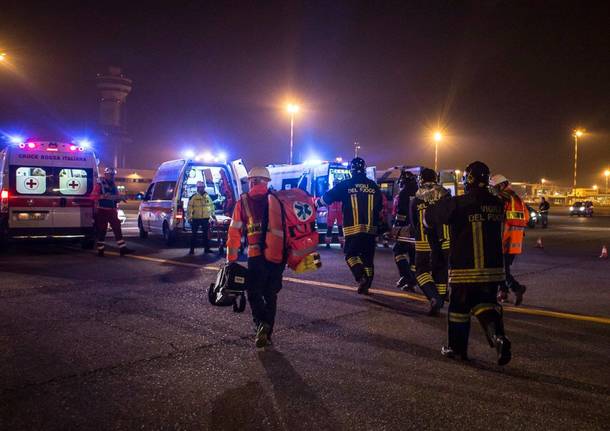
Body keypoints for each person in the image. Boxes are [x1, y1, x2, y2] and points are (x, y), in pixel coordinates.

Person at [426, 161, 511, 365]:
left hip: (465, 269)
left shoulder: (458, 203)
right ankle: (498, 338)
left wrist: (437, 201)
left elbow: (430, 218)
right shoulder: (497, 204)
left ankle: (456, 349)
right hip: (493, 270)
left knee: (459, 310)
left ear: (468, 179)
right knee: (485, 304)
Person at [226, 167, 285, 348]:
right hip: (277, 255)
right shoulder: (278, 199)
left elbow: (235, 231)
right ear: (267, 181)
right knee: (271, 294)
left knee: (253, 292)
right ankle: (267, 330)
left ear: (251, 181)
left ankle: (261, 325)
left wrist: (232, 257)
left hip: (256, 254)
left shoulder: (243, 201)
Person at [319, 157, 382, 295]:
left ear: (351, 170)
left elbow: (327, 198)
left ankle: (361, 277)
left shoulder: (345, 185)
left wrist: (315, 204)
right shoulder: (374, 186)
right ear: (364, 169)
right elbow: (379, 207)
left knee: (350, 255)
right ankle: (367, 285)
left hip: (353, 229)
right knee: (368, 259)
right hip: (370, 230)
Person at [410, 168, 449, 316]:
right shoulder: (445, 195)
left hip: (424, 242)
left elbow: (414, 224)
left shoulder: (416, 199)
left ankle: (433, 298)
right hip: (444, 241)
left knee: (421, 271)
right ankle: (440, 298)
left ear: (421, 180)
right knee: (440, 270)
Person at [490, 174, 528, 305]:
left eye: (494, 188)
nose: (494, 190)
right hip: (516, 241)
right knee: (504, 268)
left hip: (504, 239)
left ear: (501, 185)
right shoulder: (518, 199)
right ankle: (503, 293)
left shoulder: (503, 197)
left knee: (499, 270)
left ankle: (517, 288)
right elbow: (526, 218)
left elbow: (495, 216)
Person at [94, 167, 134, 257]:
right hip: (102, 210)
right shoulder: (100, 184)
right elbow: (92, 196)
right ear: (106, 174)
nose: (112, 176)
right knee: (102, 231)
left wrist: (120, 198)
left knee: (117, 229)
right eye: (111, 175)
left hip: (112, 211)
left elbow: (116, 197)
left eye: (113, 175)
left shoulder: (113, 185)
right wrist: (102, 196)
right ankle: (100, 251)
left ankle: (123, 249)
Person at [392, 171, 418, 291]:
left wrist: (396, 227)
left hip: (406, 228)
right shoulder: (420, 192)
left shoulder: (403, 194)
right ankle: (411, 282)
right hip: (418, 230)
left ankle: (406, 277)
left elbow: (401, 213)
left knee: (398, 251)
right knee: (413, 256)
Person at [187, 181, 216, 255]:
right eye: (200, 187)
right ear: (197, 188)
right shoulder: (193, 197)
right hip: (196, 218)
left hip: (205, 218)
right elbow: (189, 208)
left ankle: (206, 249)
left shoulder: (207, 196)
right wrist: (189, 217)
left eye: (202, 187)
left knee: (206, 235)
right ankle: (192, 250)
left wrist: (213, 215)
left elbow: (211, 206)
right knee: (194, 235)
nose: (201, 189)